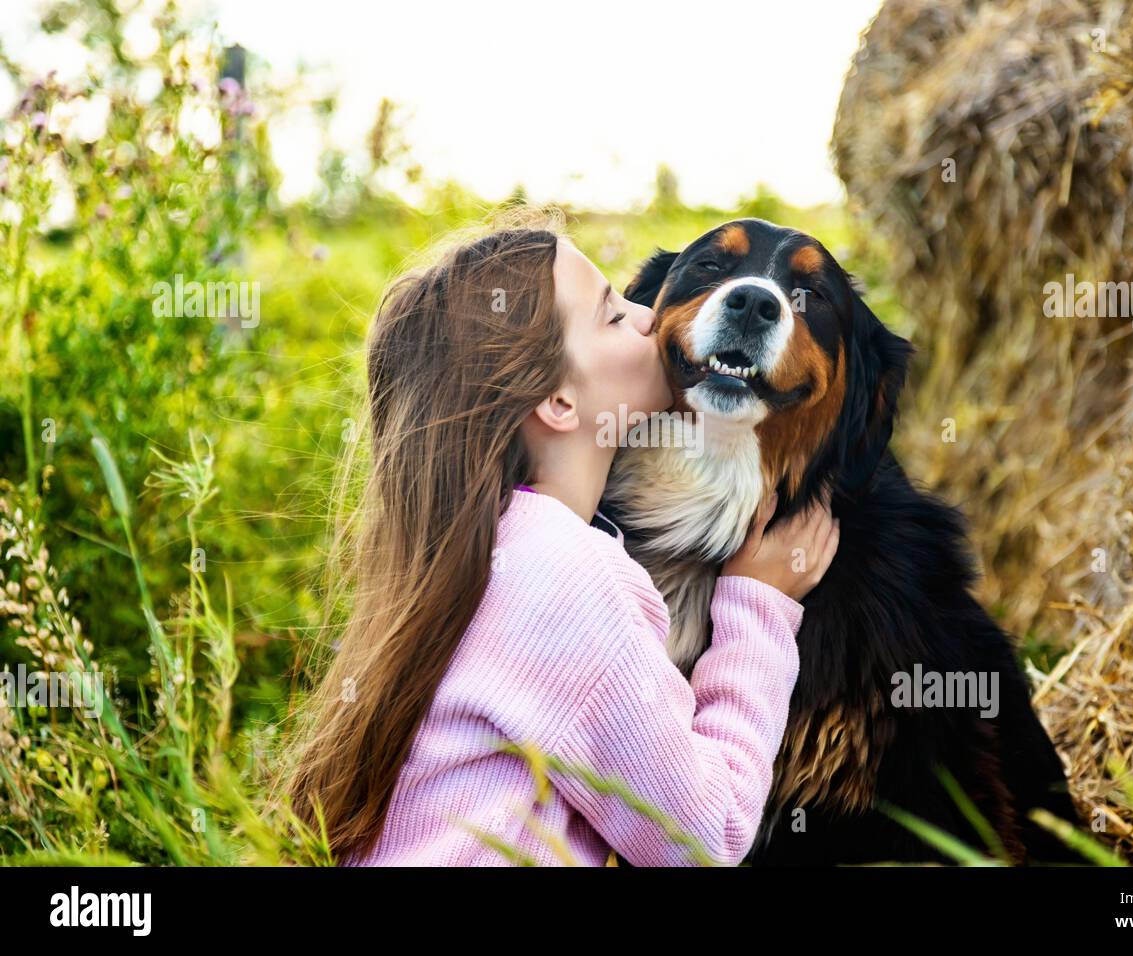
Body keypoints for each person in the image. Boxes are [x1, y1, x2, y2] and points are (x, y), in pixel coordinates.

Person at [277, 207, 839, 866]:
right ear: (559, 402)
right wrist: (756, 608)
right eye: (611, 314)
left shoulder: (485, 556)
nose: (645, 315)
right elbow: (705, 836)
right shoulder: (567, 579)